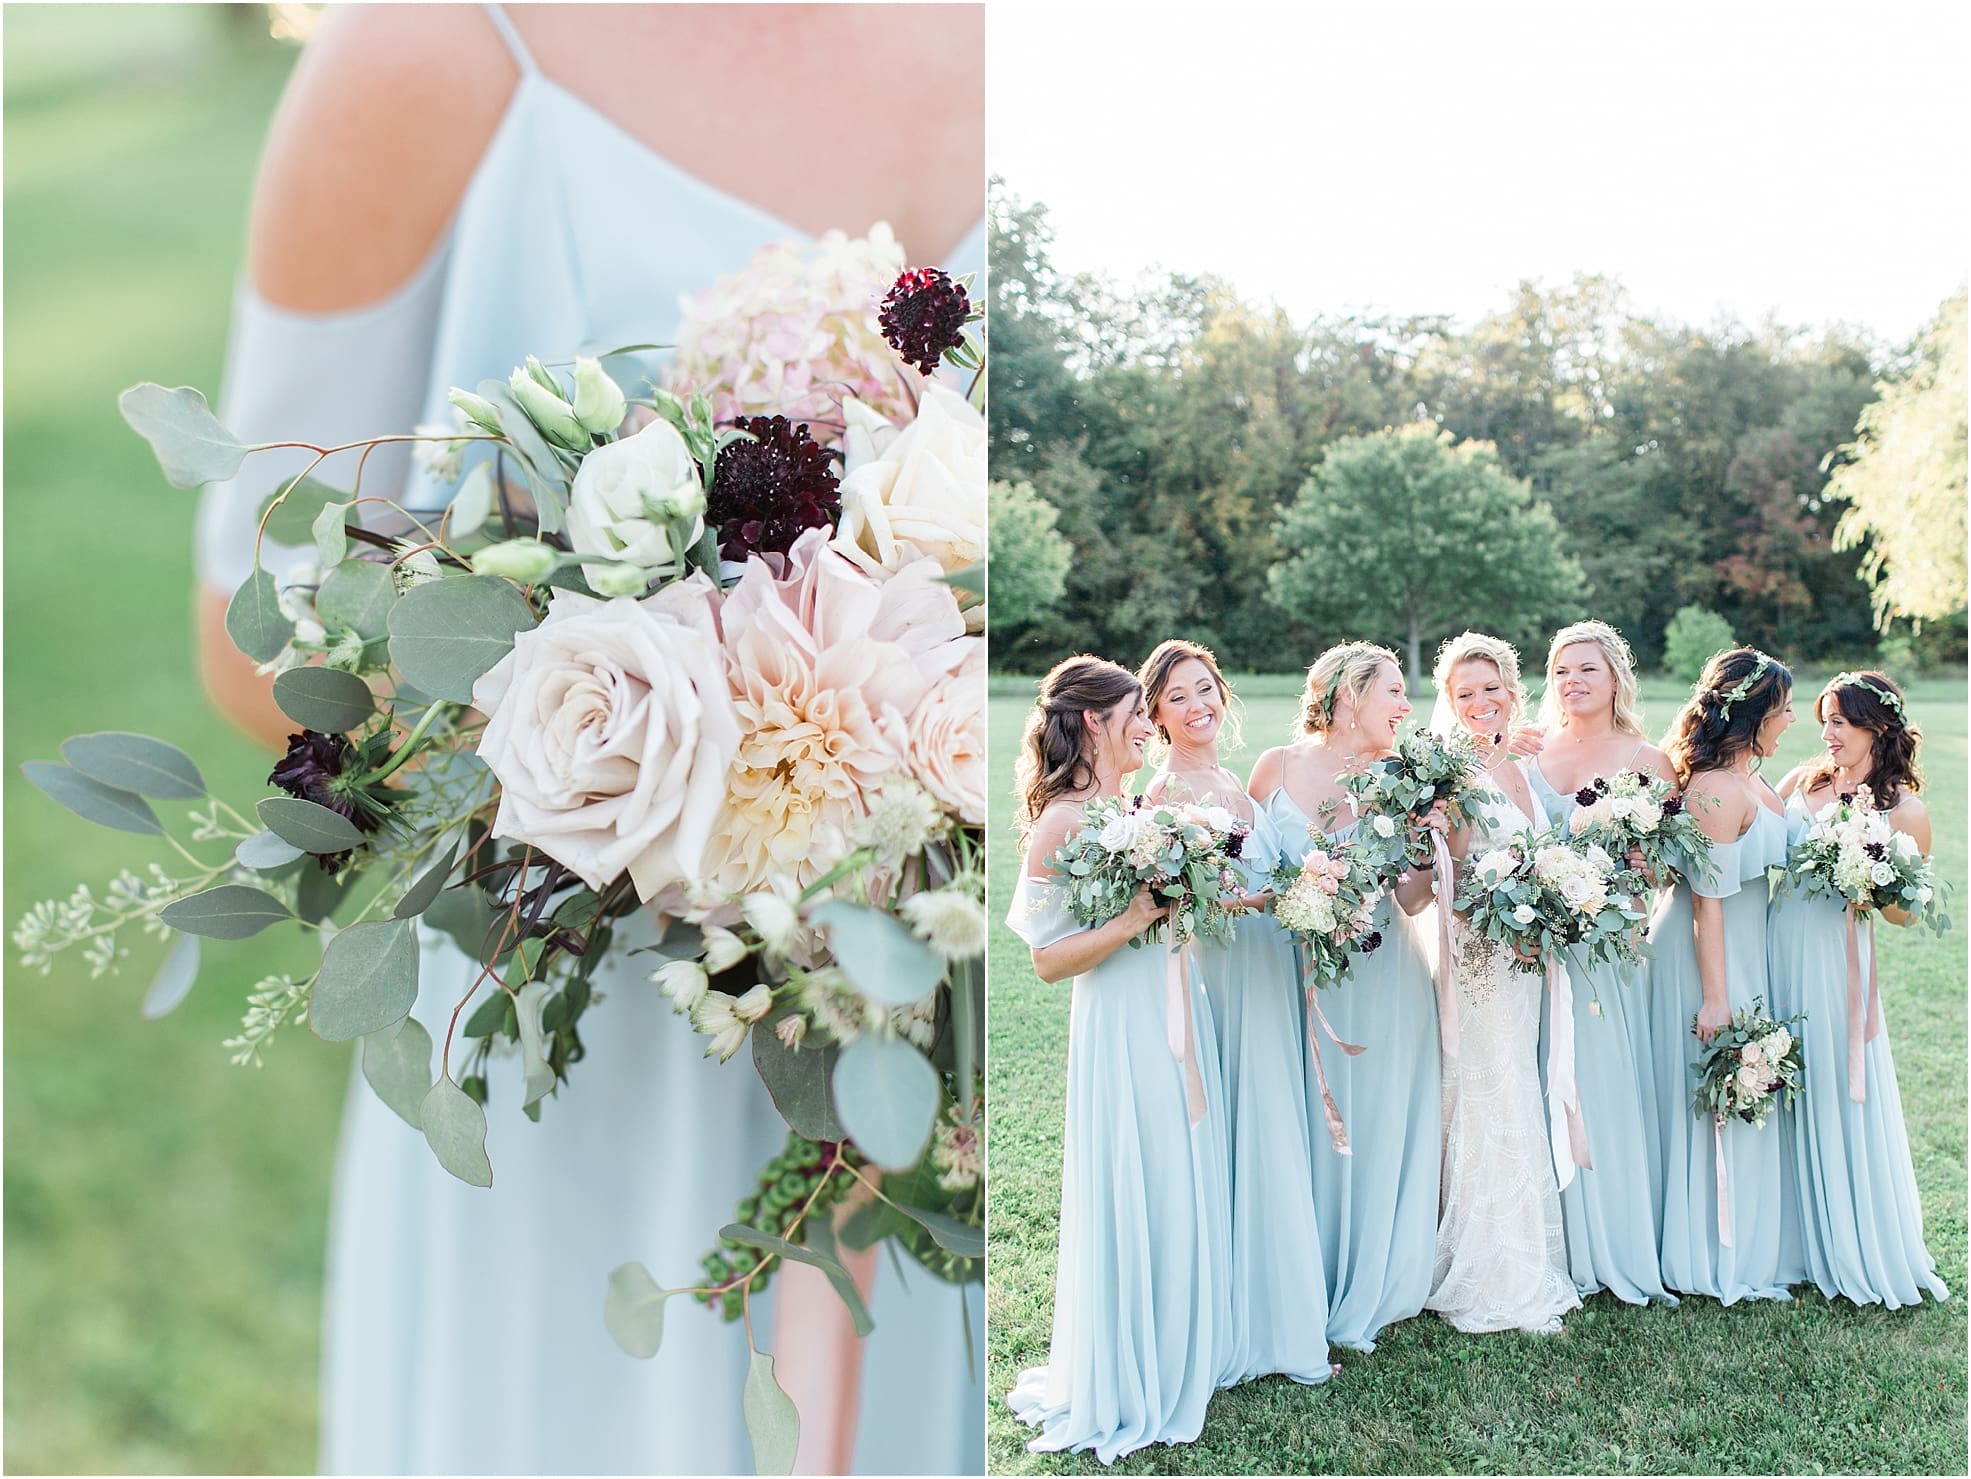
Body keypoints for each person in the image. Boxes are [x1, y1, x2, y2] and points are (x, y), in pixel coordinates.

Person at [191, 6, 984, 1472]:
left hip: (968, 1075)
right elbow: (254, 634)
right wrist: (691, 725)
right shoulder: (425, 52)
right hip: (600, 1049)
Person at [1005, 655, 1233, 1463]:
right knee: (1137, 1172)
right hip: (1119, 1021)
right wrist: (1137, 916)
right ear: (1096, 720)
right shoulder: (1062, 820)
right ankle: (1125, 1370)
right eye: (1139, 711)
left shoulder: (1136, 804)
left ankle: (1174, 1350)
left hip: (1175, 1005)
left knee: (1177, 1173)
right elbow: (1046, 958)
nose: (1149, 725)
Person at [1138, 639, 1333, 1386]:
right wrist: (1271, 897)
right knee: (1235, 1130)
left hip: (1266, 969)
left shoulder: (1230, 780)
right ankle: (1239, 1322)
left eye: (1205, 688)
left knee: (1269, 1129)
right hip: (1217, 972)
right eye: (1178, 696)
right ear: (1154, 713)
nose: (1198, 706)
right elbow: (1177, 897)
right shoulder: (1163, 796)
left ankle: (1278, 1314)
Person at [1247, 642, 1442, 1353]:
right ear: (1346, 695)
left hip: (1382, 971)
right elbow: (1247, 866)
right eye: (1392, 691)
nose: (1403, 707)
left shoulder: (1405, 777)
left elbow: (1413, 900)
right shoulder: (1276, 765)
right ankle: (1298, 1272)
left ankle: (1372, 1276)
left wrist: (1430, 843)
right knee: (1298, 1120)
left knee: (1376, 1120)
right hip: (1286, 970)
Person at [1771, 671, 1948, 1308]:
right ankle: (1785, 1237)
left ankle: (1848, 1239)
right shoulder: (1805, 781)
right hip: (1777, 947)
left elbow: (1904, 915)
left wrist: (1871, 877)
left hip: (1834, 959)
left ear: (1878, 727)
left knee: (1834, 1087)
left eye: (1841, 722)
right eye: (1823, 720)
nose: (1828, 734)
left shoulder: (1907, 809)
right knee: (1778, 1079)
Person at [1422, 632, 1581, 1335]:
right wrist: (1502, 911)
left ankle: (1518, 1258)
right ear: (1448, 704)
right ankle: (1492, 1270)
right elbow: (1448, 881)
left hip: (1521, 961)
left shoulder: (1518, 764)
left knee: (1515, 1082)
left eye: (1491, 688)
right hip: (1479, 958)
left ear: (1512, 693)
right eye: (1464, 693)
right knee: (1490, 1091)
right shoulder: (1452, 773)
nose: (1480, 701)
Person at [1522, 620, 1678, 1307]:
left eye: (1586, 669)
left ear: (1616, 676)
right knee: (1534, 1079)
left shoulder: (1647, 759)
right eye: (1560, 671)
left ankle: (1610, 1238)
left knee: (1604, 1082)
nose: (1572, 682)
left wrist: (1643, 867)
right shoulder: (1528, 752)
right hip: (1529, 944)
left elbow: (1669, 866)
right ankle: (1547, 1241)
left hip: (1608, 949)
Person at [1648, 648, 1805, 1303]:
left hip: (1747, 947)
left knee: (1750, 1092)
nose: (1792, 719)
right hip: (1703, 955)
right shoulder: (1713, 786)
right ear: (1754, 713)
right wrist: (1715, 997)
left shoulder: (1755, 777)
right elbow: (1704, 902)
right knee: (1716, 1094)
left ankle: (1755, 1238)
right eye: (1784, 708)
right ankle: (1710, 1251)